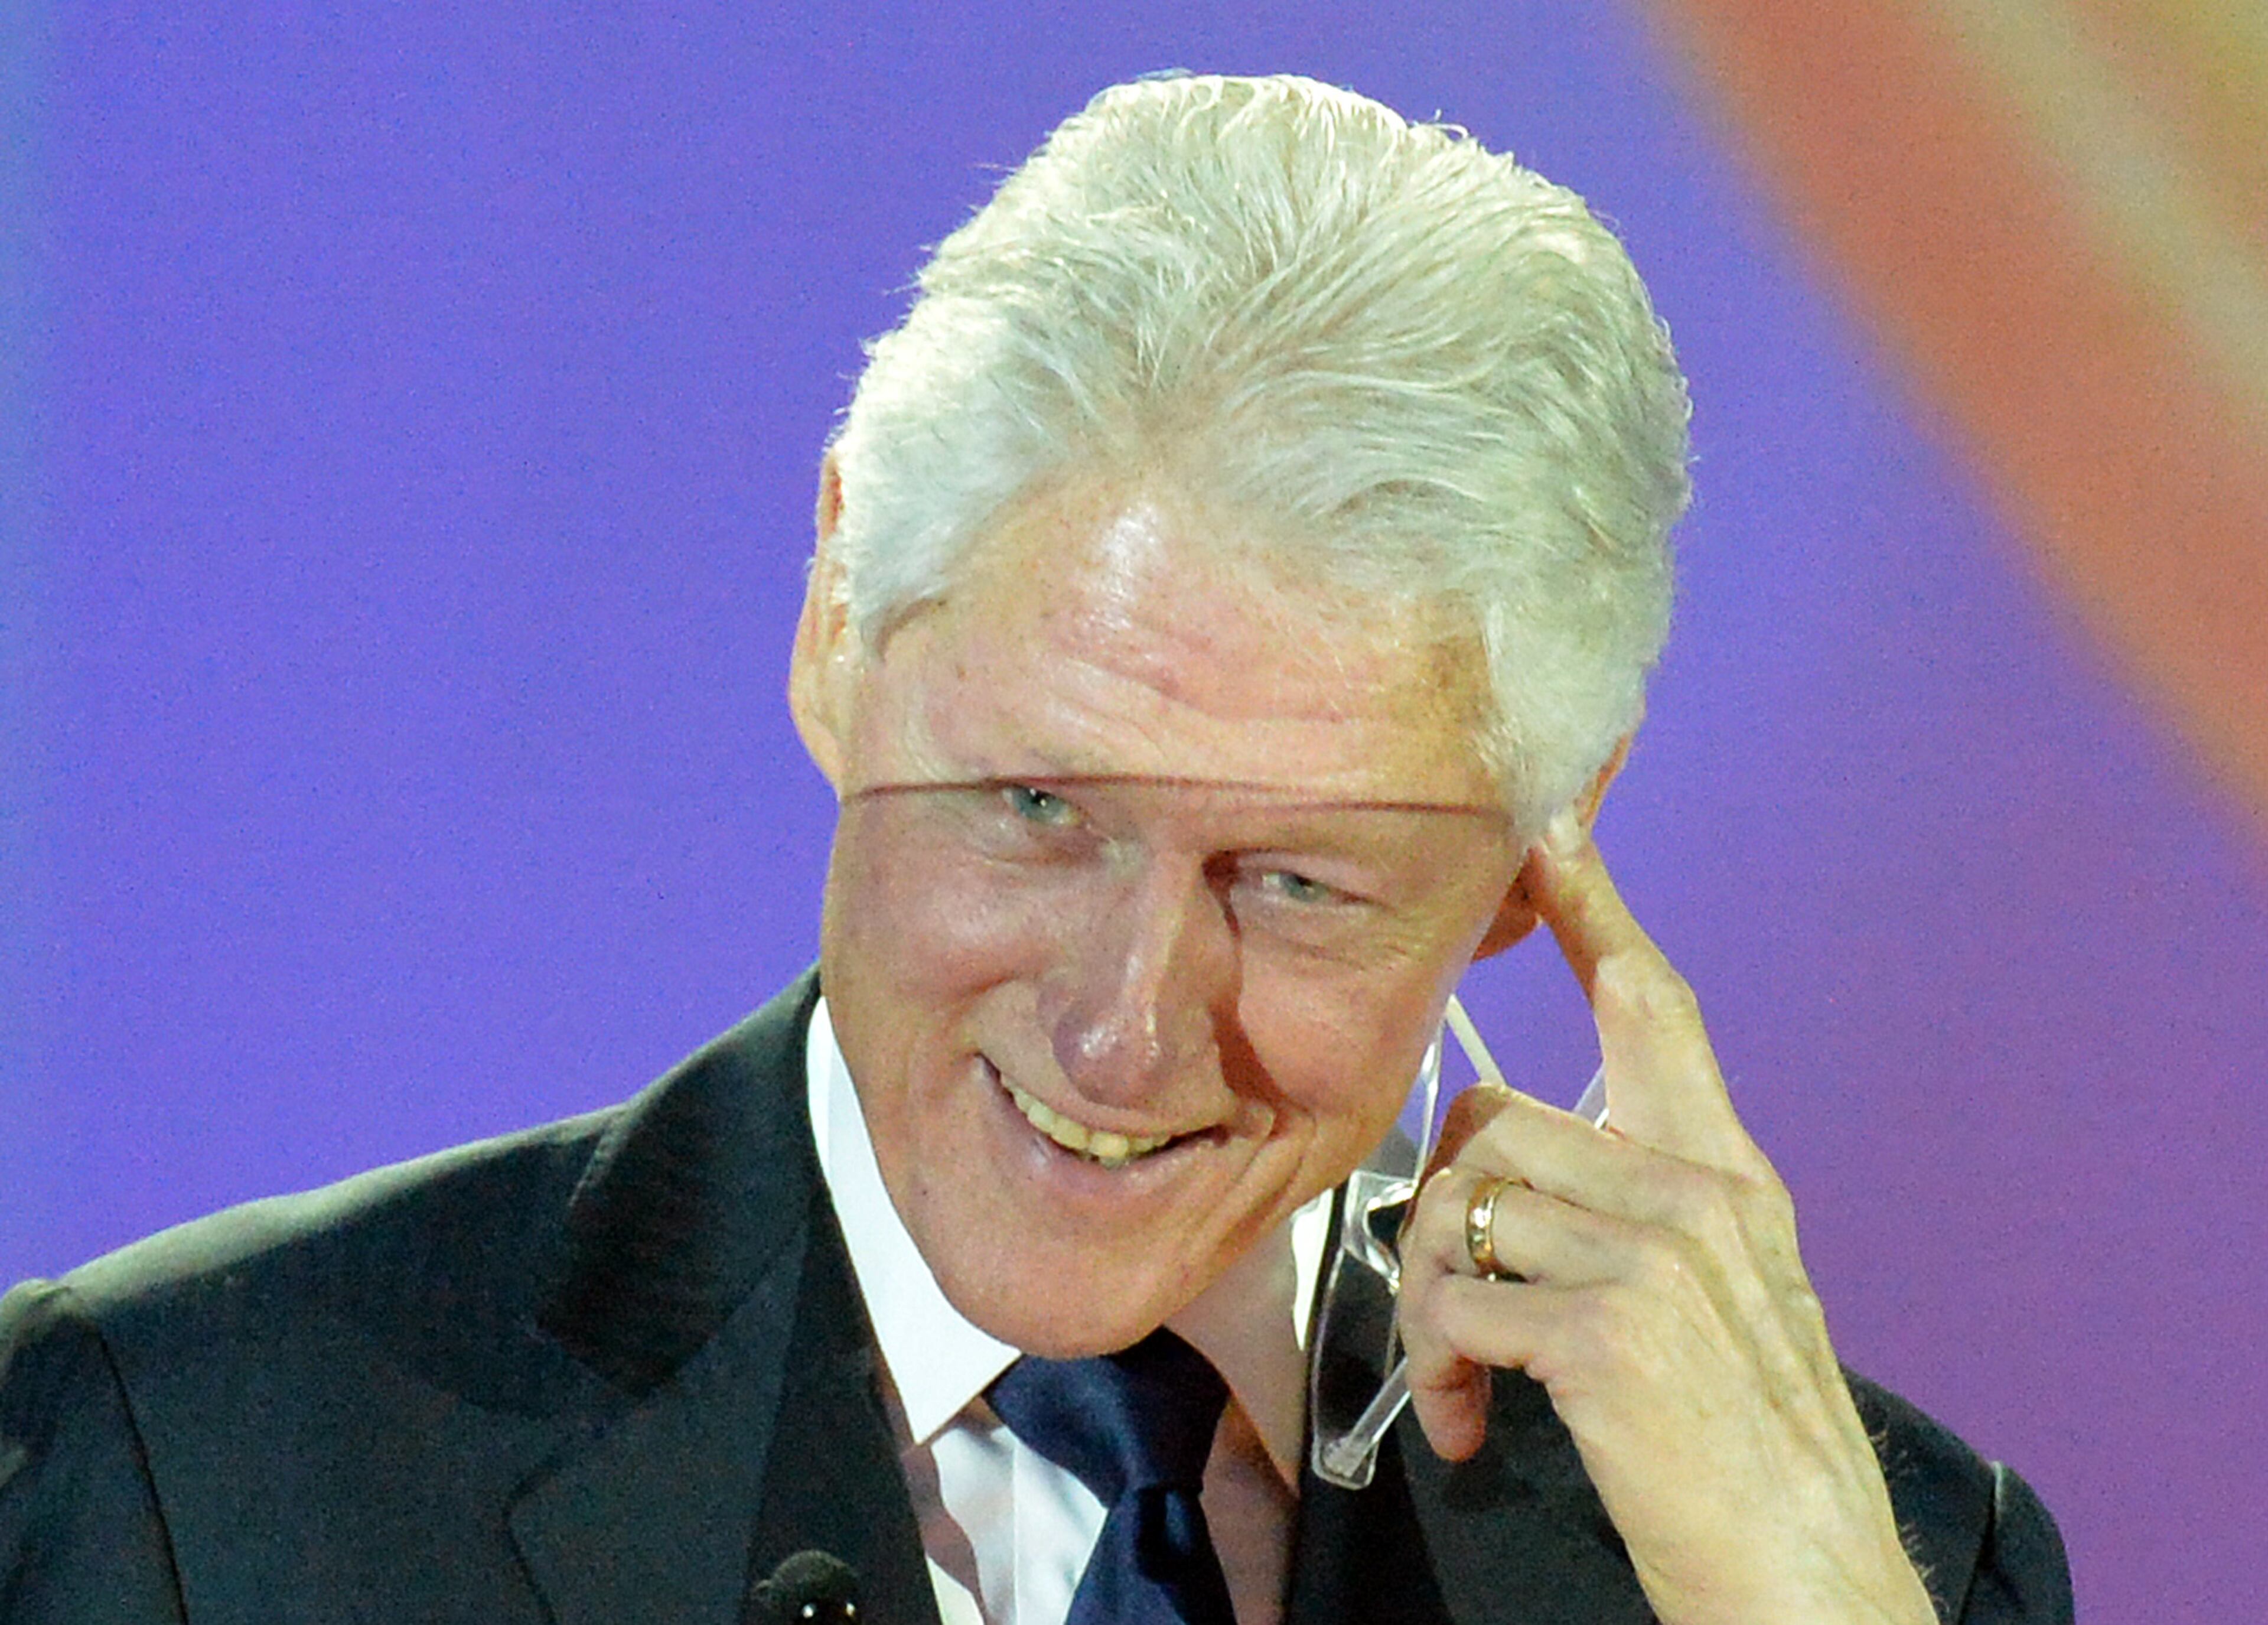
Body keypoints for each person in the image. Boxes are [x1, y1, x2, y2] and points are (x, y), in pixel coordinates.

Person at [0, 73, 2070, 1624]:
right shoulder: (186, 1474)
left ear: (1549, 847)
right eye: (1039, 810)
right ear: (841, 626)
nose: (1123, 1031)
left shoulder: (1865, 1559)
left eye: (1297, 883)